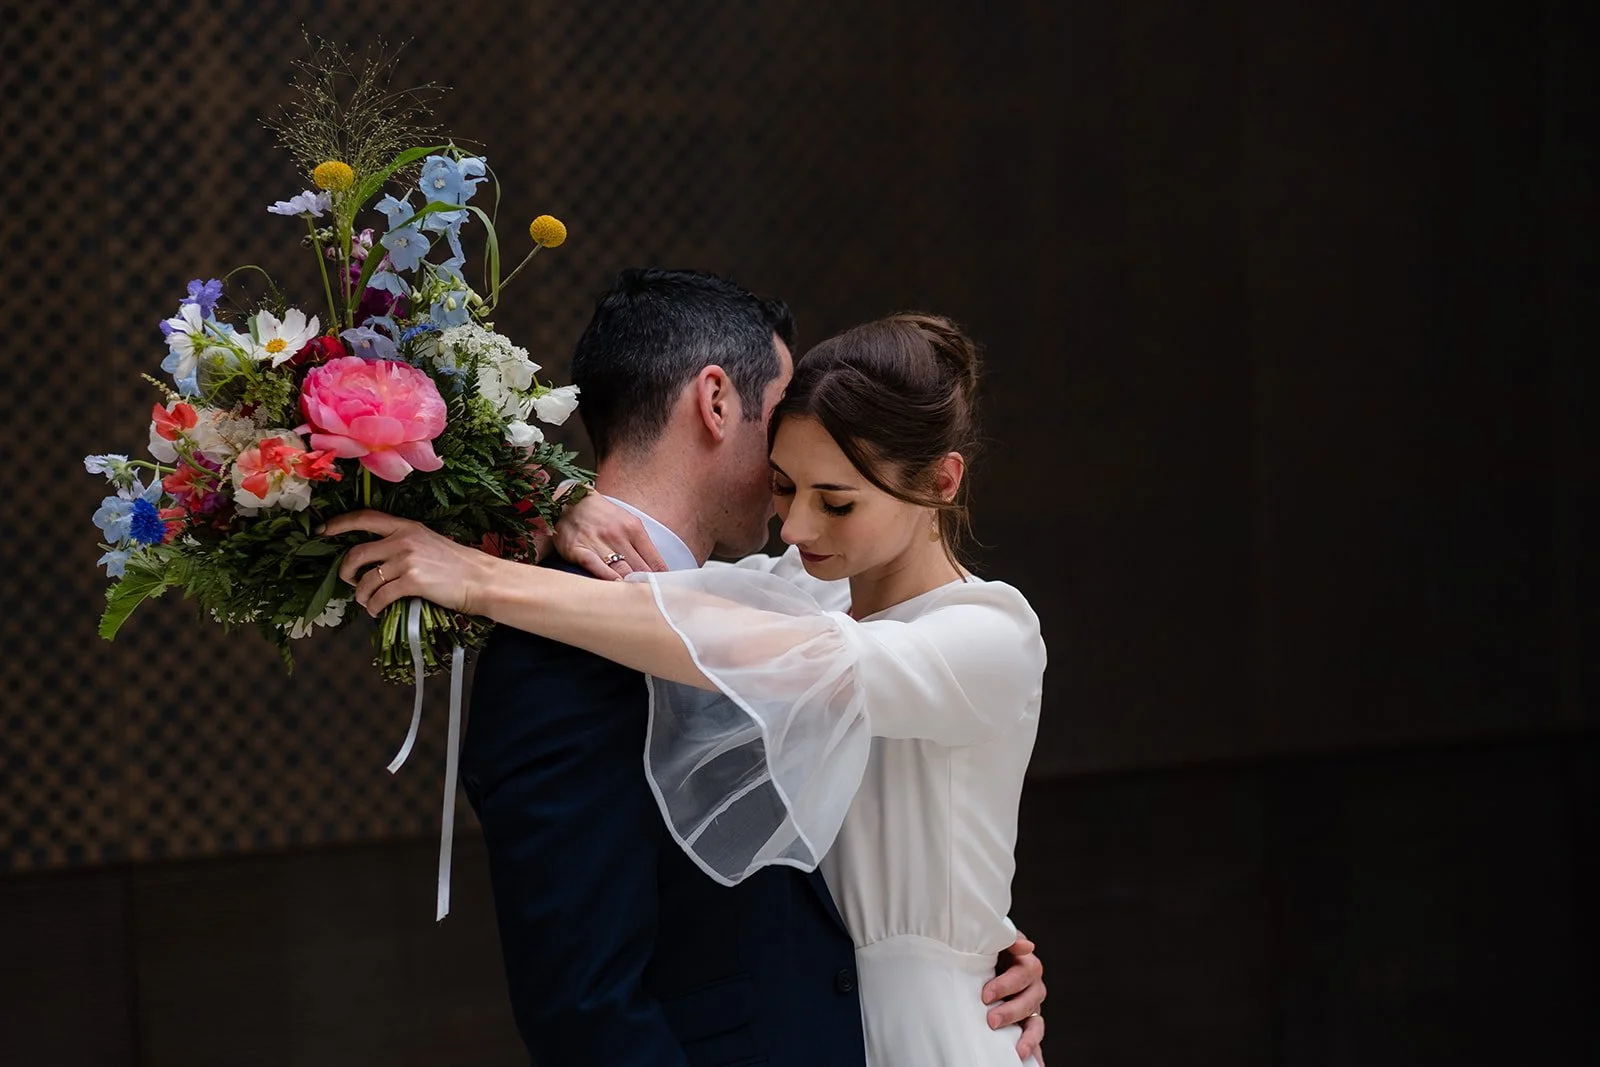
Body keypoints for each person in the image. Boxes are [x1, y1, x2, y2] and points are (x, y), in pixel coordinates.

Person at [325, 271, 1046, 1066]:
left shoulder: (975, 631)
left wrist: (968, 937)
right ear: (715, 401)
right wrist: (560, 499)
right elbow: (585, 1002)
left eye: (833, 498)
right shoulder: (774, 593)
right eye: (784, 474)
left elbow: (768, 653)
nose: (793, 519)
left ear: (941, 481)